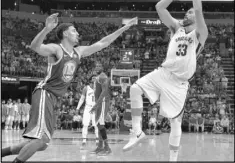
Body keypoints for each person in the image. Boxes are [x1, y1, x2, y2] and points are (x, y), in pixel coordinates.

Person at [2, 13, 137, 162]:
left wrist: (125, 28)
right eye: (74, 31)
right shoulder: (56, 49)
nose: (78, 33)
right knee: (42, 139)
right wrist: (46, 29)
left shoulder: (78, 52)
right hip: (45, 93)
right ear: (65, 34)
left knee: (41, 144)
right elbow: (35, 47)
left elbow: (103, 42)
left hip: (53, 98)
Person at [123, 0, 208, 162]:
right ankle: (137, 132)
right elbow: (160, 7)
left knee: (175, 122)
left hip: (179, 83)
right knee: (135, 89)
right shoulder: (176, 28)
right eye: (186, 11)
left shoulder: (201, 33)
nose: (187, 12)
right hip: (163, 72)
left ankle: (173, 159)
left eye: (190, 11)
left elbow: (199, 8)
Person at [89, 67, 112, 156]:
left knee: (101, 125)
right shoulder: (98, 78)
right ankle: (100, 147)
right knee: (98, 125)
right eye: (96, 66)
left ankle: (107, 148)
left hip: (102, 102)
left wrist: (96, 105)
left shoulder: (103, 77)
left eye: (98, 66)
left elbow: (104, 92)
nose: (96, 68)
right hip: (99, 103)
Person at [76, 79, 99, 149]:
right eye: (93, 82)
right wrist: (77, 108)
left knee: (96, 125)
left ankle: (97, 140)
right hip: (88, 108)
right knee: (85, 125)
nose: (94, 83)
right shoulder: (86, 88)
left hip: (95, 108)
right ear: (90, 82)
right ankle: (84, 141)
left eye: (95, 82)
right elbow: (82, 99)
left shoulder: (98, 88)